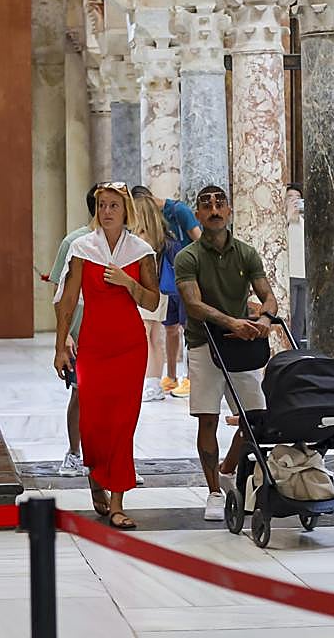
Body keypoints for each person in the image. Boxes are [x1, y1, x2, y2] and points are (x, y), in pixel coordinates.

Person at [54, 182, 160, 530]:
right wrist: (60, 346)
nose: (107, 212)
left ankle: (117, 501)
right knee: (93, 422)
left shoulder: (141, 251)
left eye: (114, 205)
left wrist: (127, 283)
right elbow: (67, 302)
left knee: (122, 424)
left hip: (129, 347)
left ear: (125, 210)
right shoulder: (83, 249)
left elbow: (152, 301)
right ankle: (96, 473)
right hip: (94, 347)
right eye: (102, 206)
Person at [175, 185, 279, 522]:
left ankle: (228, 467)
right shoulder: (187, 256)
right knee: (208, 417)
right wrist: (230, 321)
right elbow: (192, 304)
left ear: (229, 211)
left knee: (255, 418)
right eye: (207, 205)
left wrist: (263, 318)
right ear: (199, 213)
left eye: (220, 204)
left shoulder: (246, 253)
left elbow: (268, 296)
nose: (214, 210)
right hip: (205, 341)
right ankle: (214, 493)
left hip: (240, 343)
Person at [48, 184, 100, 478]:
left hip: (112, 332)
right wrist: (64, 334)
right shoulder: (74, 241)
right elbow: (59, 291)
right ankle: (74, 452)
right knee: (81, 394)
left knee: (115, 397)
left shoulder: (126, 242)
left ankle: (115, 455)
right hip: (80, 331)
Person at [132, 185, 198, 397]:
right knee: (161, 334)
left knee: (156, 334)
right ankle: (165, 379)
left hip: (163, 285)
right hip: (161, 287)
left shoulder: (178, 212)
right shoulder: (159, 232)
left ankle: (161, 382)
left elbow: (198, 239)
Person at [132, 194, 174, 402]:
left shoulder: (140, 239)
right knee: (155, 337)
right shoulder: (160, 236)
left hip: (146, 292)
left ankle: (149, 382)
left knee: (146, 335)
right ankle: (154, 383)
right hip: (160, 292)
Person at [285, 183, 307, 345]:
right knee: (289, 314)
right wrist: (288, 215)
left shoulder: (304, 223)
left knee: (300, 317)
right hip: (289, 275)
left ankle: (297, 347)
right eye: (290, 198)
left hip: (304, 275)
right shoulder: (282, 222)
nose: (294, 201)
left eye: (298, 198)